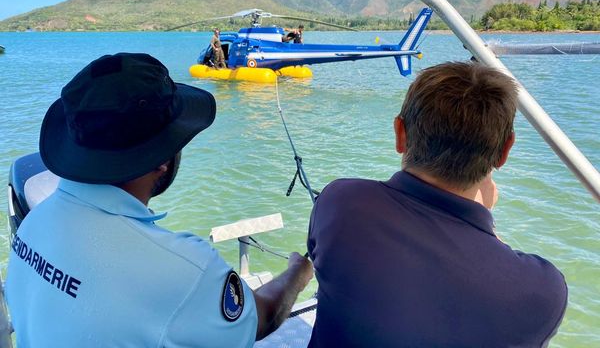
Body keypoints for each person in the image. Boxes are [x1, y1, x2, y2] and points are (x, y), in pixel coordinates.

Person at [5, 53, 313, 347]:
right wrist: (297, 274)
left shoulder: (34, 223)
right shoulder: (185, 271)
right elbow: (265, 317)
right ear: (163, 160)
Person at [307, 61, 567, 347]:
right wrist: (486, 224)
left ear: (400, 133)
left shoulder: (340, 202)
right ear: (504, 151)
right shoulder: (542, 291)